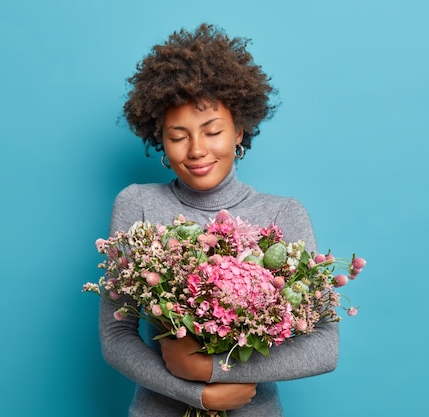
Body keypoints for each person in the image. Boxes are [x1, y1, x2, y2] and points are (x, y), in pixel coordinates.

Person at [99, 23, 339, 416]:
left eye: (212, 131)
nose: (197, 150)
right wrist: (196, 394)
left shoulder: (283, 214)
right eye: (178, 136)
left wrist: (214, 369)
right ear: (159, 139)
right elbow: (116, 335)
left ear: (239, 132)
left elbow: (324, 346)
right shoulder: (137, 204)